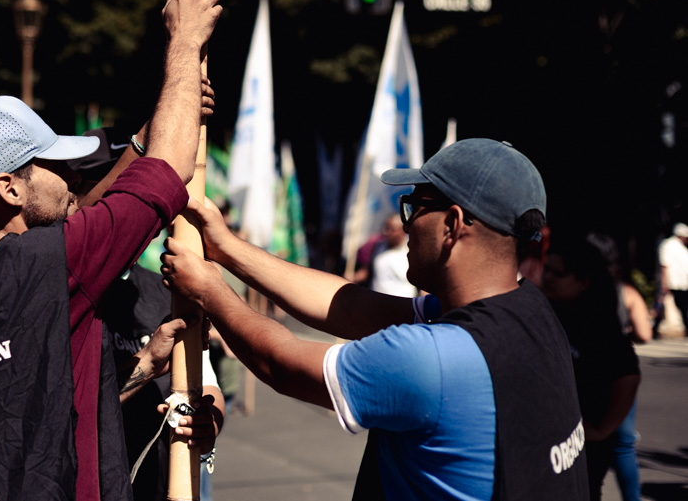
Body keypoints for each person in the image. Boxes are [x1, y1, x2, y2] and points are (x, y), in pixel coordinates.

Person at [0, 0, 220, 501]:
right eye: (51, 165)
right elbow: (168, 171)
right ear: (10, 188)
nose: (68, 178)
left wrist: (141, 368)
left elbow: (39, 416)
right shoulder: (45, 267)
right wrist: (184, 42)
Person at [161, 138, 589, 500]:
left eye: (415, 207)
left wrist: (209, 291)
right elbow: (350, 308)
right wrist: (227, 248)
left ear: (453, 225)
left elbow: (281, 363)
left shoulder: (433, 359)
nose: (405, 226)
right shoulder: (528, 312)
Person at [68, 127, 226, 501]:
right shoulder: (57, 291)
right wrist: (147, 362)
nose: (138, 208)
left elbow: (207, 384)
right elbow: (64, 412)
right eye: (119, 192)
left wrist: (209, 421)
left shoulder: (167, 290)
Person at [542, 232, 641, 500]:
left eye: (557, 273)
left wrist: (602, 428)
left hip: (582, 450)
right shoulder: (544, 311)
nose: (547, 277)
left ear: (583, 282)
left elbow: (629, 376)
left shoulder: (600, 328)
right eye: (546, 269)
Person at [657, 221, 688, 336]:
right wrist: (664, 283)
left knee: (682, 307)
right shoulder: (668, 245)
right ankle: (655, 328)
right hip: (673, 282)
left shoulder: (683, 248)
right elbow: (664, 265)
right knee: (664, 305)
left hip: (682, 283)